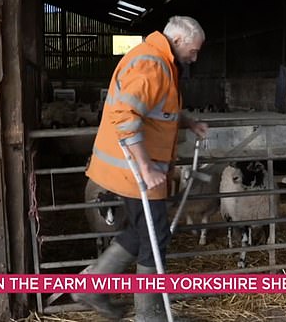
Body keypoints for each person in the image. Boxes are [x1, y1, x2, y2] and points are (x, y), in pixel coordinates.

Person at [72, 16, 207, 321]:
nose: (195, 57)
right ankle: (150, 313)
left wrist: (187, 121)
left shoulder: (160, 61)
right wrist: (145, 168)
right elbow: (125, 115)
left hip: (132, 169)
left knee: (141, 230)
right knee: (155, 234)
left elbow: (156, 107)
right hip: (134, 170)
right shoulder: (151, 64)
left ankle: (92, 288)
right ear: (180, 41)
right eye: (194, 51)